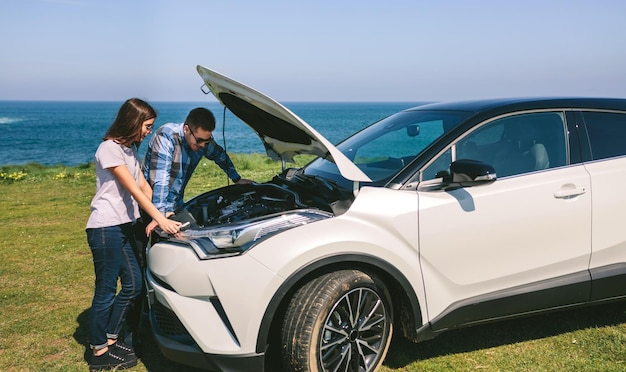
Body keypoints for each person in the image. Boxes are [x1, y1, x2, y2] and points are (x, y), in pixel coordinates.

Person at [85, 98, 182, 371]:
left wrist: (162, 212)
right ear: (134, 121)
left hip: (125, 226)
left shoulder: (130, 151)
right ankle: (98, 351)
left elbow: (146, 188)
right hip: (105, 228)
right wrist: (159, 219)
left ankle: (111, 338)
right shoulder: (109, 149)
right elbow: (134, 191)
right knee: (105, 291)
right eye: (147, 126)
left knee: (134, 285)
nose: (149, 131)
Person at [141, 107, 252, 234]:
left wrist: (236, 179)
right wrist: (159, 216)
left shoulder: (202, 141)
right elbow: (161, 178)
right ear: (186, 129)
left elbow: (219, 155)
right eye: (199, 140)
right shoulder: (167, 136)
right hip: (150, 206)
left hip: (175, 206)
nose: (202, 145)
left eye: (207, 140)